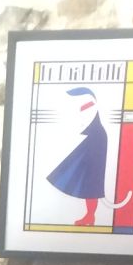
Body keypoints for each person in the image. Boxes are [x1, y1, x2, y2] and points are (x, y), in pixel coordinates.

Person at [46, 86, 108, 228]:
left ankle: (90, 215)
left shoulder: (89, 106)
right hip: (90, 141)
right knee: (87, 181)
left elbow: (85, 120)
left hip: (94, 141)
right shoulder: (84, 110)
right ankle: (90, 215)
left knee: (91, 182)